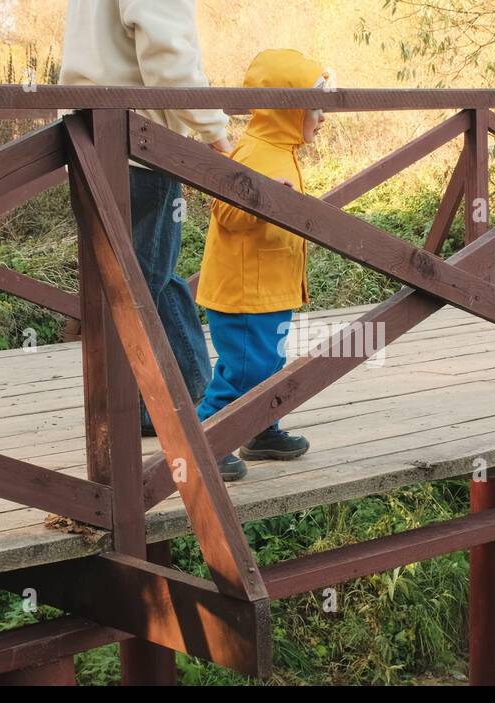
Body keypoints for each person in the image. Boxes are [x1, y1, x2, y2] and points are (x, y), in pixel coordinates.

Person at [60, 0, 230, 436]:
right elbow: (167, 53)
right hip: (136, 141)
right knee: (145, 282)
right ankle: (197, 412)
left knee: (131, 278)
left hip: (88, 134)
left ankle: (143, 407)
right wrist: (214, 130)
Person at [195, 49, 329, 482]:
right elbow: (227, 213)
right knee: (241, 373)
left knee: (268, 366)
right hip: (244, 294)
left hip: (269, 290)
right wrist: (264, 195)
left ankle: (261, 430)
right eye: (316, 107)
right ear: (288, 110)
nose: (323, 118)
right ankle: (202, 441)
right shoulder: (253, 153)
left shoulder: (280, 148)